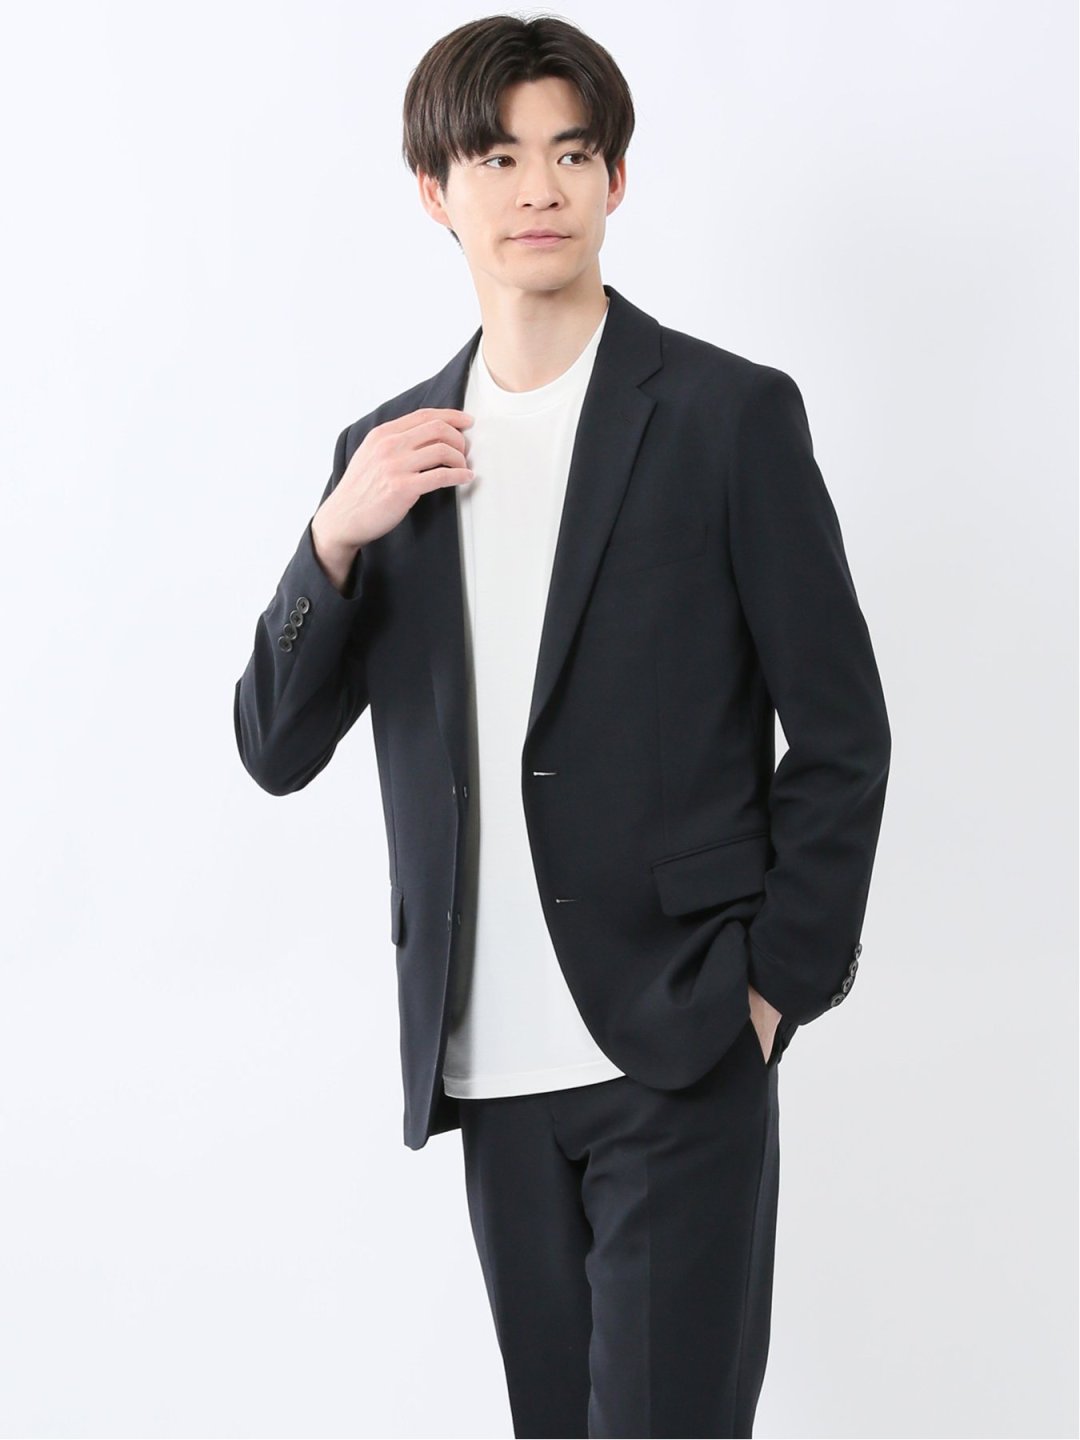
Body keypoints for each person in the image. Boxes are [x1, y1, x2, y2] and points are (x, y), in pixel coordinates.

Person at [233, 15, 891, 1438]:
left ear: (614, 181)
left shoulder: (724, 416)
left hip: (679, 1049)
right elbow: (275, 747)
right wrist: (332, 538)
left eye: (572, 154)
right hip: (489, 1071)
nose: (539, 188)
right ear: (435, 191)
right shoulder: (388, 457)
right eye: (498, 157)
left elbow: (843, 732)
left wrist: (772, 992)